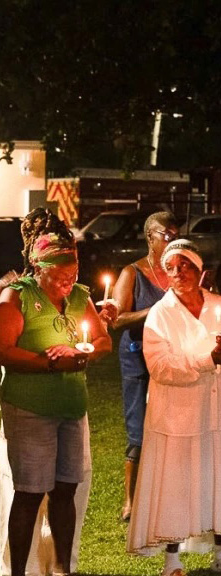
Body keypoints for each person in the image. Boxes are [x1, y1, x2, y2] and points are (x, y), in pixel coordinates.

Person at [0, 231, 112, 576]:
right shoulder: (17, 297)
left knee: (65, 489)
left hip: (71, 405)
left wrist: (79, 352)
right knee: (29, 492)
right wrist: (47, 363)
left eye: (72, 269)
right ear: (39, 268)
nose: (67, 278)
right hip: (30, 408)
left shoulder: (79, 297)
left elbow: (103, 340)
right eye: (59, 271)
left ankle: (62, 574)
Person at [127, 239, 221, 576]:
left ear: (201, 272)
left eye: (185, 266)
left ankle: (220, 555)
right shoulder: (160, 315)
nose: (178, 273)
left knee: (217, 480)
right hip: (176, 414)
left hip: (215, 411)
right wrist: (206, 359)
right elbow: (161, 367)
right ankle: (172, 564)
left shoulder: (218, 306)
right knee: (176, 486)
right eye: (171, 268)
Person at [112, 211, 179, 520]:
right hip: (138, 358)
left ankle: (169, 495)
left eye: (176, 234)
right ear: (151, 237)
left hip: (173, 360)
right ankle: (130, 500)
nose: (172, 240)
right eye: (167, 235)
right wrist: (156, 310)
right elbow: (117, 319)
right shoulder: (133, 273)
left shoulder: (179, 271)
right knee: (138, 431)